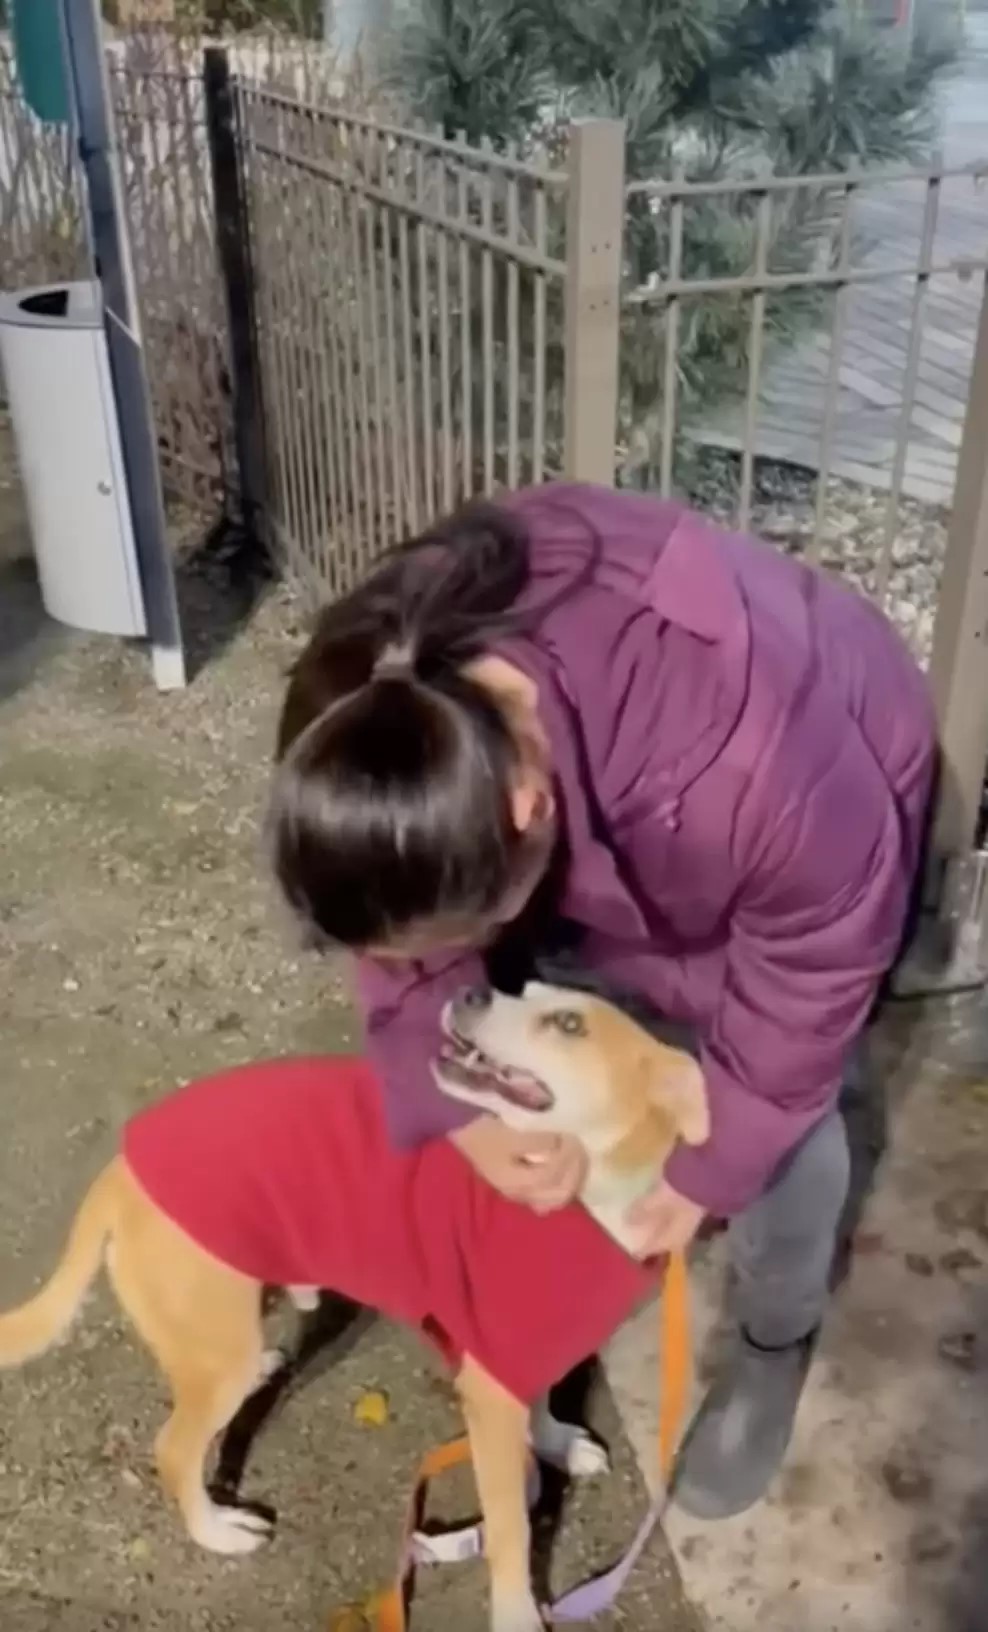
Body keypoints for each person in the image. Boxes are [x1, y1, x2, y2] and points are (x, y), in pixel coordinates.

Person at [268, 483, 937, 1520]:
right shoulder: (380, 691)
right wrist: (458, 1113)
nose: (436, 967)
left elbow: (808, 973)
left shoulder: (749, 755)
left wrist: (718, 1162)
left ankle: (772, 1339)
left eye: (459, 934)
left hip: (809, 820)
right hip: (619, 814)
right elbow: (399, 910)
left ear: (528, 812)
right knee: (558, 1026)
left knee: (785, 1117)